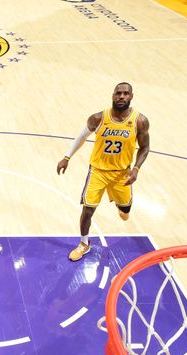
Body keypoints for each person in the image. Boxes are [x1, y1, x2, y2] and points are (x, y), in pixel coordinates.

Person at [56, 82, 150, 262]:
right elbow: (81, 137)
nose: (121, 96)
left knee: (125, 212)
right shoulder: (98, 118)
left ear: (131, 97)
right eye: (118, 93)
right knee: (87, 210)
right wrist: (67, 157)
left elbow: (145, 147)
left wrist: (136, 168)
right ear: (113, 95)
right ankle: (84, 243)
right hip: (98, 172)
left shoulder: (140, 121)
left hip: (122, 173)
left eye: (125, 94)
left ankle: (121, 205)